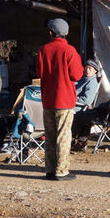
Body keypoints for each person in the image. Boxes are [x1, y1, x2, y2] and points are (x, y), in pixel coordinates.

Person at [37, 18, 84, 181]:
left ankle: (50, 169)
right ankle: (62, 170)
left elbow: (39, 72)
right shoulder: (70, 51)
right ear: (67, 33)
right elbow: (77, 74)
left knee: (49, 135)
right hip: (64, 100)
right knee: (63, 135)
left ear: (51, 33)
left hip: (48, 99)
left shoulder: (43, 50)